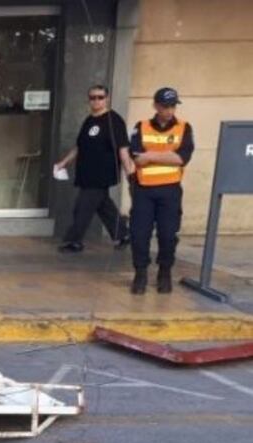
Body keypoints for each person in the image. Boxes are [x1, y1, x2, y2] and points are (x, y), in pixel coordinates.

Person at [54, 85, 137, 253]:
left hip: (102, 173)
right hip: (86, 172)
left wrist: (129, 172)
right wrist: (64, 162)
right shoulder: (89, 120)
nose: (96, 101)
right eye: (92, 97)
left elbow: (122, 148)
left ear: (107, 98)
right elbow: (79, 146)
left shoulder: (114, 120)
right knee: (103, 205)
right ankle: (123, 234)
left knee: (83, 206)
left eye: (100, 97)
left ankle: (74, 241)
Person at [128, 87, 194, 294]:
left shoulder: (185, 128)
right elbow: (138, 157)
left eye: (173, 106)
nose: (169, 110)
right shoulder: (142, 126)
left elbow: (182, 158)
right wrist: (166, 155)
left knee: (167, 235)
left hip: (170, 190)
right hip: (143, 190)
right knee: (139, 234)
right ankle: (140, 273)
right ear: (156, 106)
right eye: (165, 106)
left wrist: (151, 156)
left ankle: (164, 272)